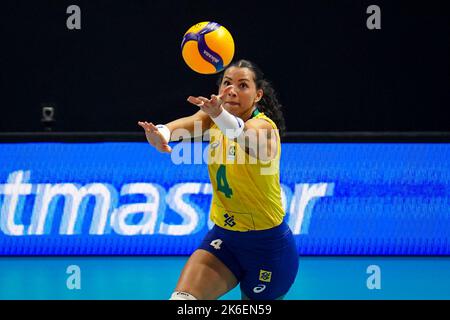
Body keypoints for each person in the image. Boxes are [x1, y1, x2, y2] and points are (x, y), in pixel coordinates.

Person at [138, 59, 298, 300]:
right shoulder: (213, 119)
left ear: (257, 95)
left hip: (268, 248)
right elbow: (186, 125)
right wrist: (161, 134)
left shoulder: (264, 128)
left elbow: (244, 136)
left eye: (243, 85)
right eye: (227, 83)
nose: (232, 90)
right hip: (225, 240)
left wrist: (219, 114)